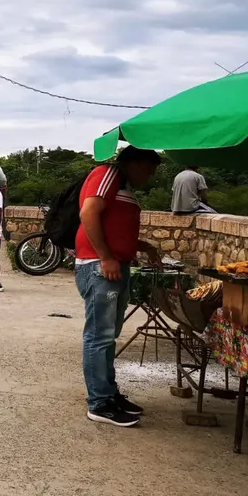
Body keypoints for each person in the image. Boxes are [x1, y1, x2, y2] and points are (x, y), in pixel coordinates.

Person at [76, 146, 163, 427]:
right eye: (148, 171)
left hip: (112, 265)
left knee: (108, 336)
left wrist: (144, 246)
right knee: (99, 336)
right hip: (99, 266)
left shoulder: (121, 184)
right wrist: (105, 257)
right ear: (135, 164)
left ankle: (108, 393)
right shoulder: (108, 174)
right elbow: (89, 213)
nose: (148, 177)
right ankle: (99, 403)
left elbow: (115, 226)